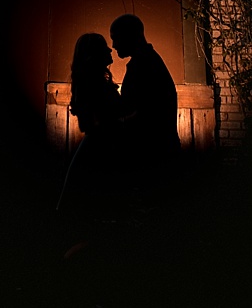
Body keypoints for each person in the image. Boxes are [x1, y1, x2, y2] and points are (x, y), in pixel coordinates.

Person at [110, 13, 180, 183]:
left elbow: (146, 113)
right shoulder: (147, 61)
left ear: (130, 35)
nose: (113, 45)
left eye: (116, 38)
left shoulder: (144, 65)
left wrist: (114, 124)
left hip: (153, 154)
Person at [60, 33, 126, 210]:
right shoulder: (95, 86)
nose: (109, 49)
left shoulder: (92, 83)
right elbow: (100, 124)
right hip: (100, 152)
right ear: (94, 54)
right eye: (103, 46)